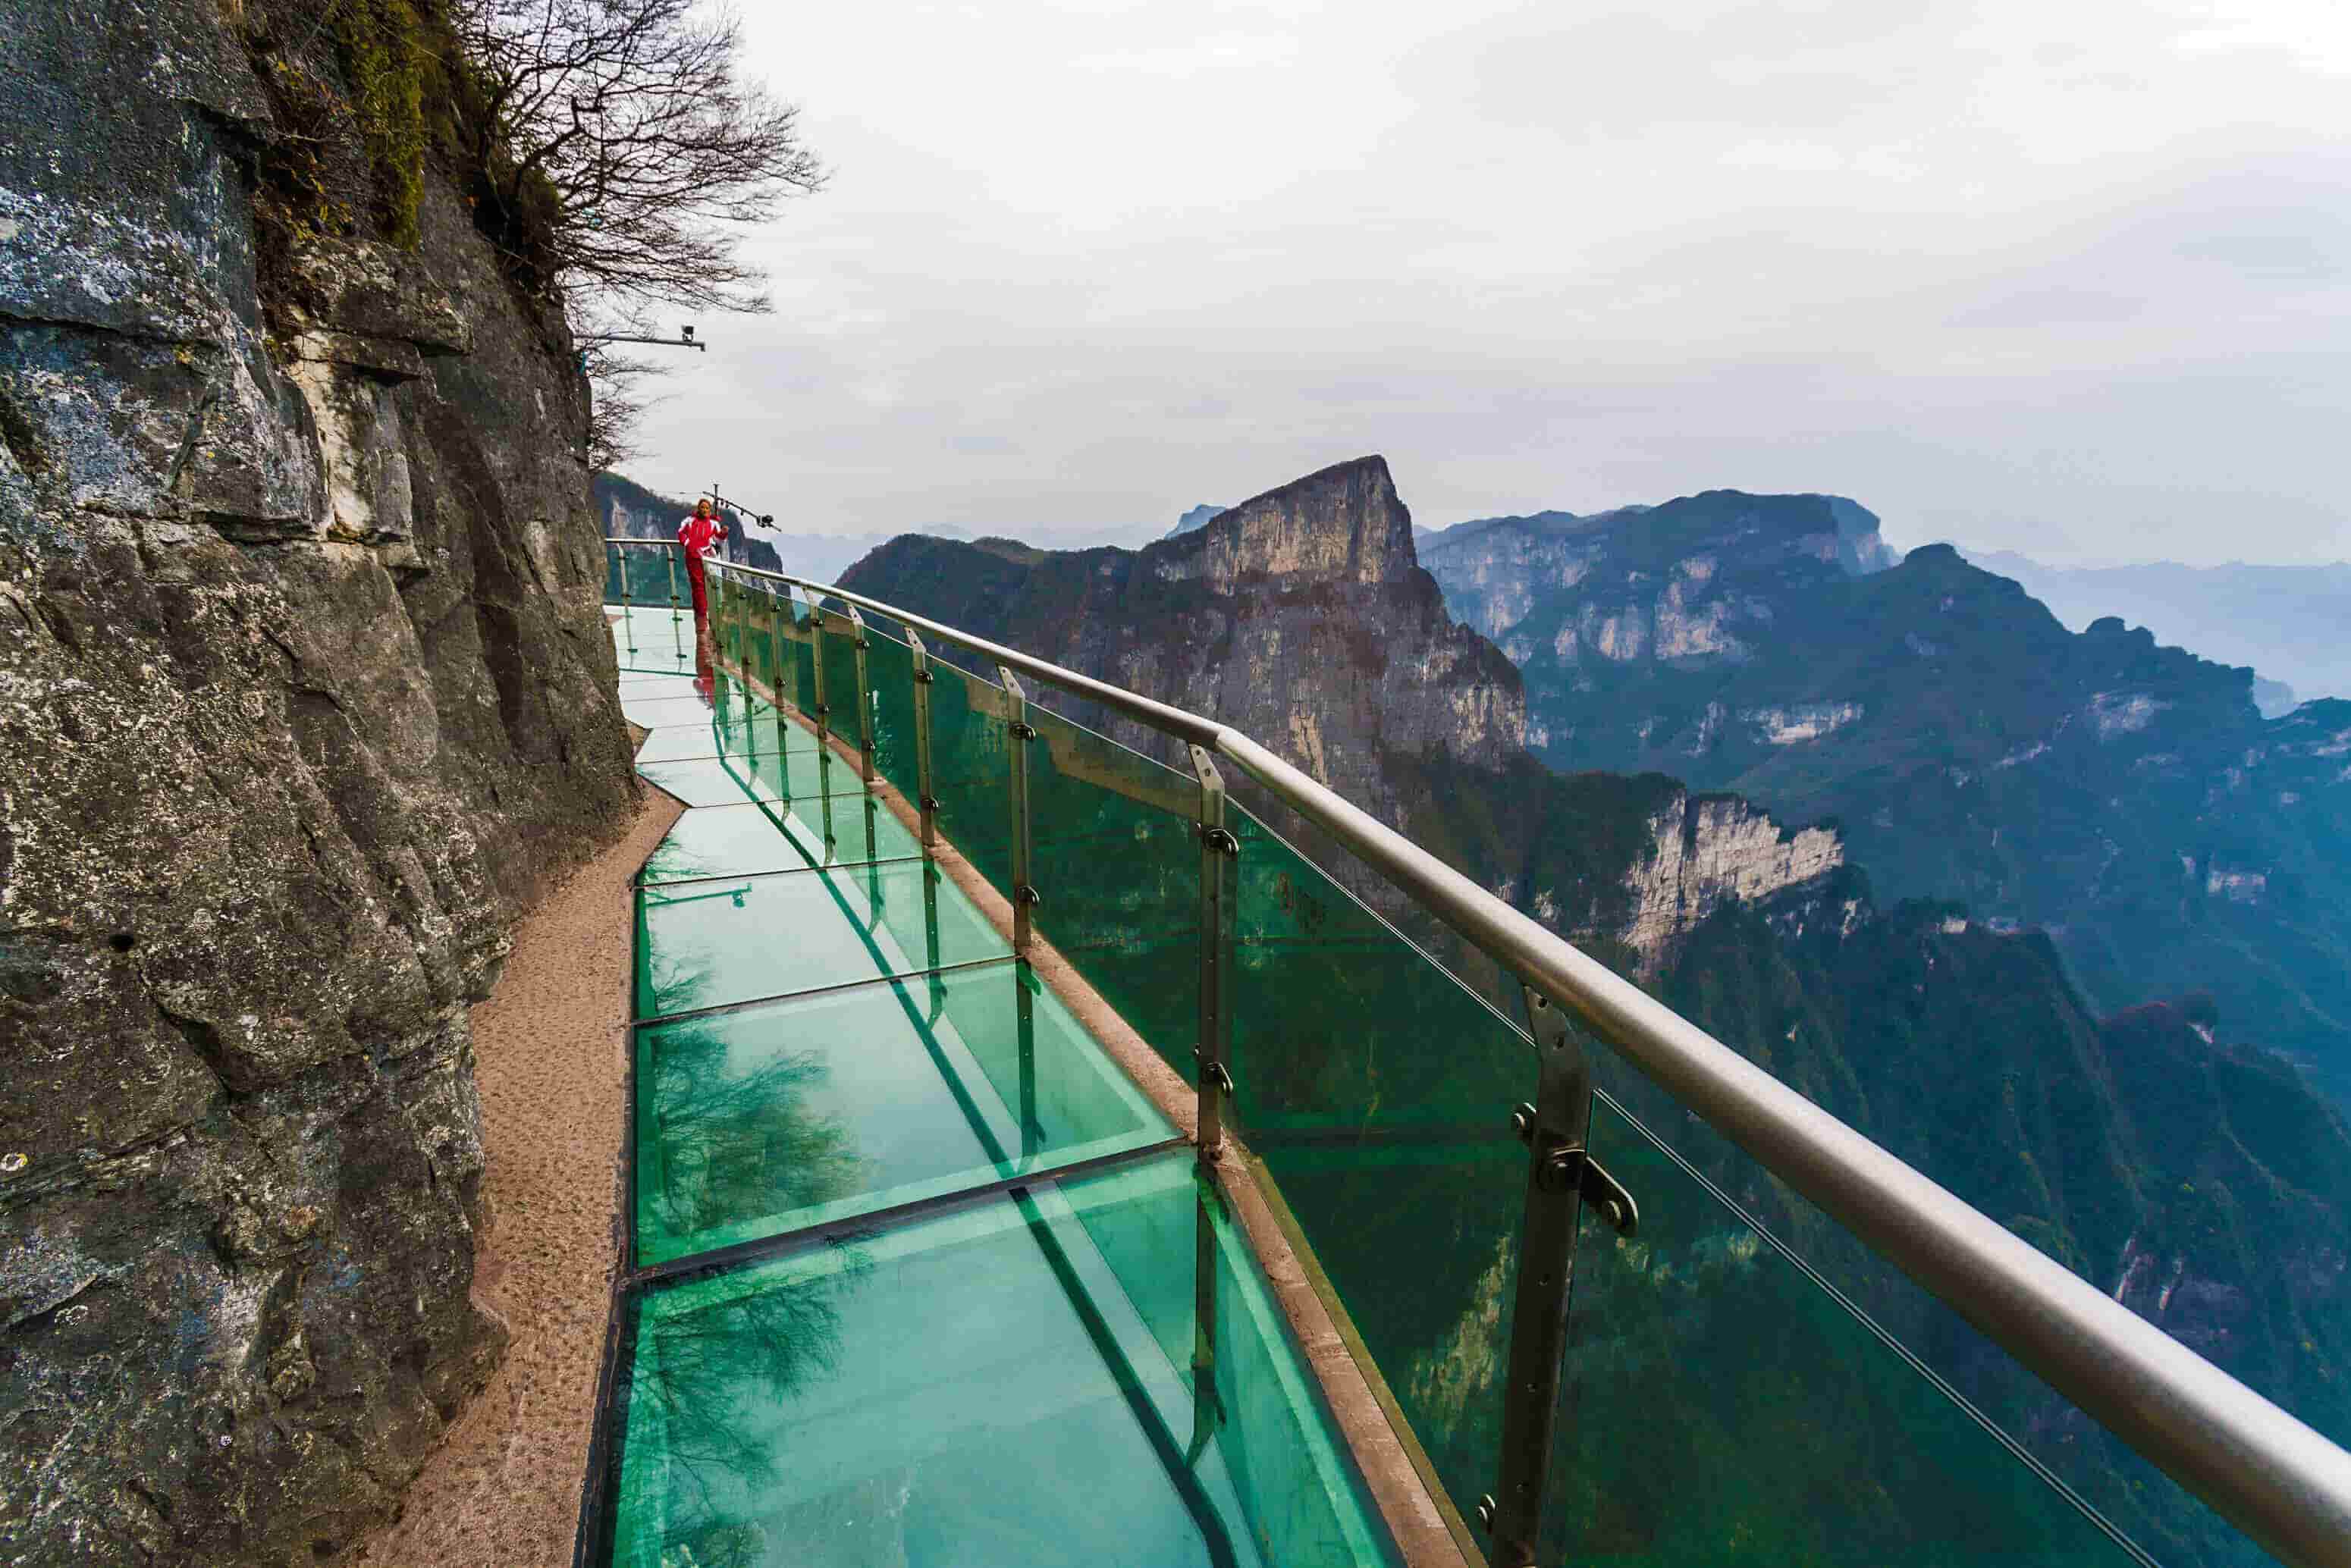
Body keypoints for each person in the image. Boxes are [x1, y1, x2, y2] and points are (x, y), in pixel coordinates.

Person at [676, 497, 730, 696]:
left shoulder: (713, 523)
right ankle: (703, 615)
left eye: (707, 507)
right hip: (693, 556)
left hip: (707, 556)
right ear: (698, 509)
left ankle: (709, 612)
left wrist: (723, 533)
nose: (705, 509)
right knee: (698, 587)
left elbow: (719, 538)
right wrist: (689, 544)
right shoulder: (689, 521)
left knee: (711, 584)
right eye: (702, 507)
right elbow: (681, 533)